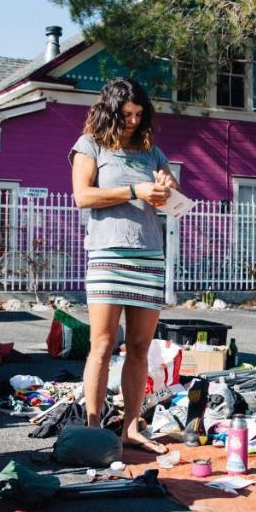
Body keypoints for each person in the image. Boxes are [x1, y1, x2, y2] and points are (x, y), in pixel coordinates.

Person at [69, 77, 179, 454]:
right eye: (126, 114)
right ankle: (94, 427)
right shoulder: (90, 146)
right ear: (109, 112)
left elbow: (170, 199)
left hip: (148, 257)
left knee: (139, 347)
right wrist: (135, 190)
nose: (132, 121)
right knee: (101, 345)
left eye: (138, 114)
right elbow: (82, 196)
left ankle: (131, 428)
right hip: (107, 255)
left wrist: (167, 186)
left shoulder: (153, 153)